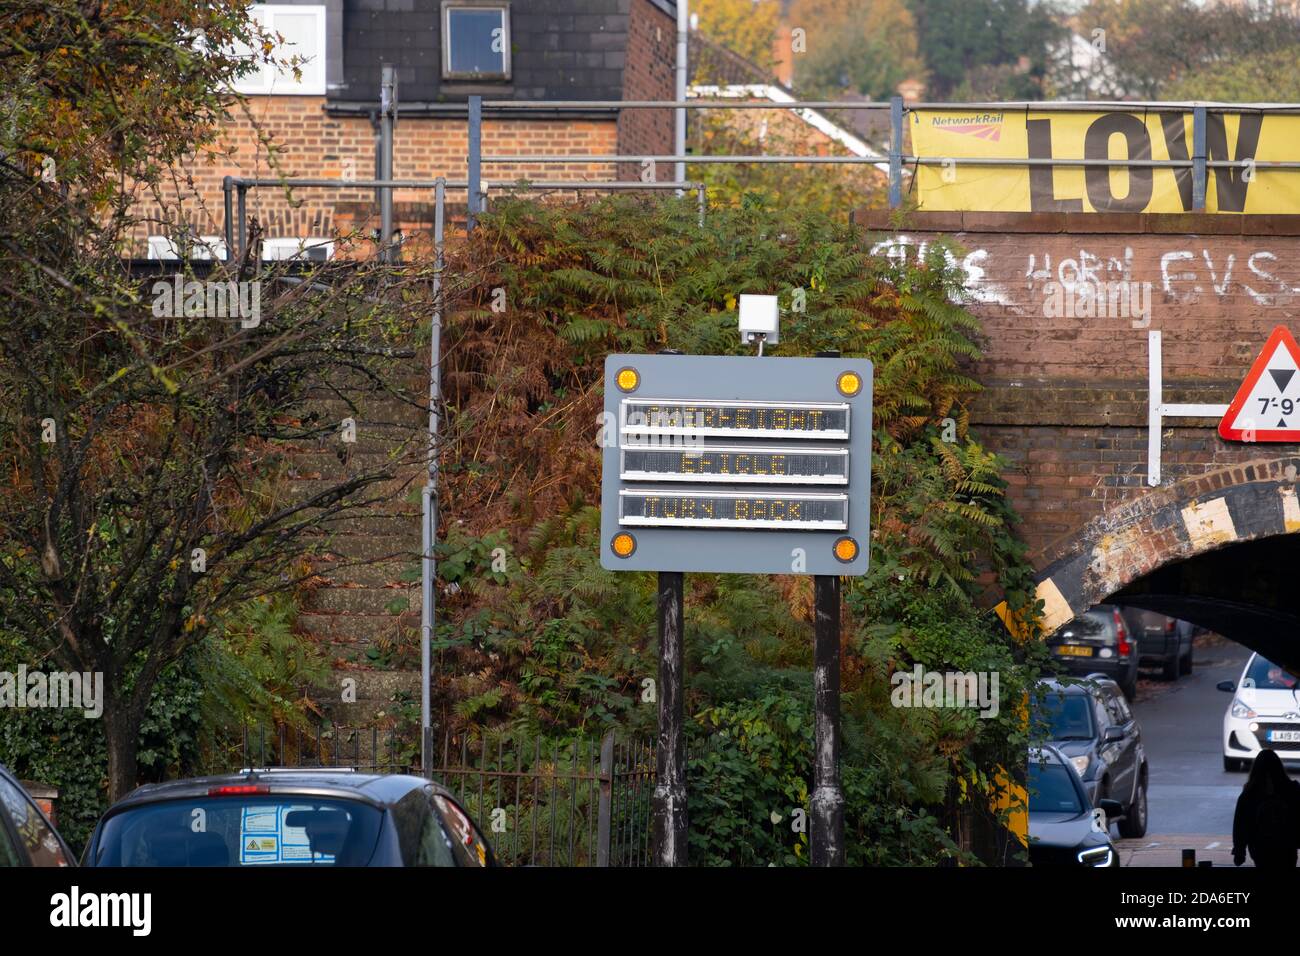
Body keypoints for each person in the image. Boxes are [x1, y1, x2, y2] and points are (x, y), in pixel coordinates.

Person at [1232, 749, 1300, 867]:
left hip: (1261, 850)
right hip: (1286, 848)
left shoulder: (1248, 795)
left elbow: (1240, 825)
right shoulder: (1292, 790)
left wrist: (1239, 851)